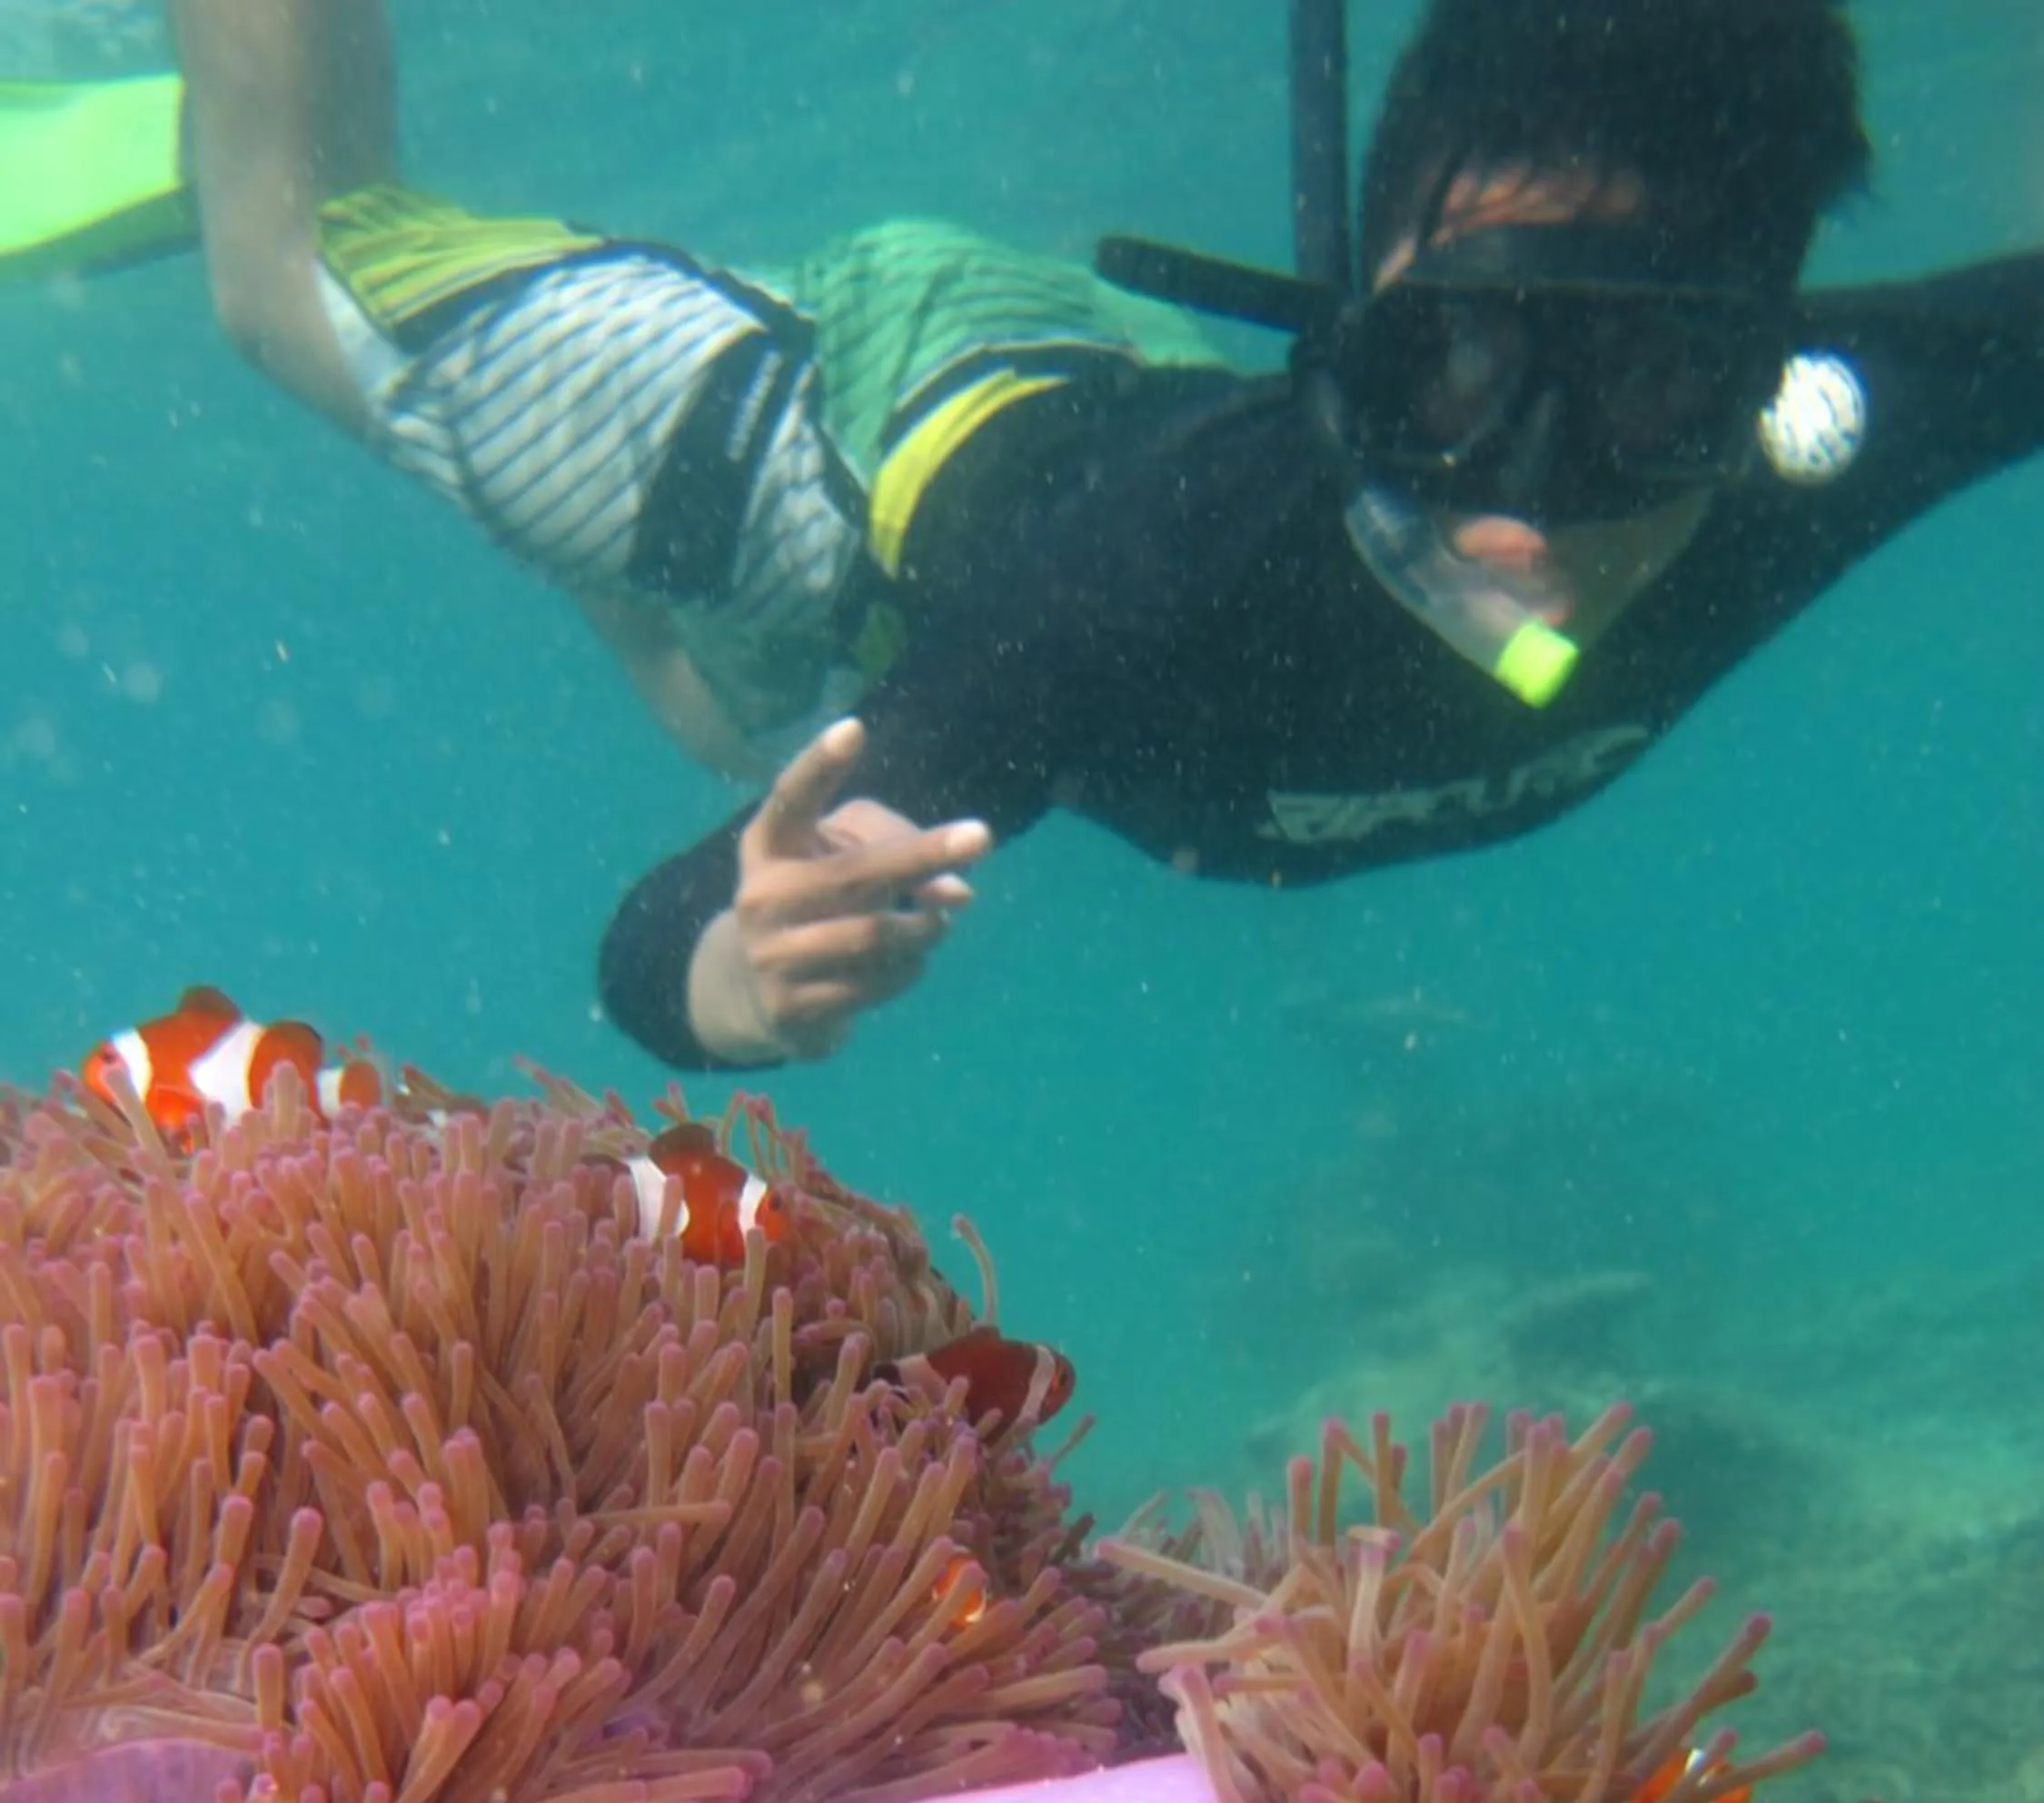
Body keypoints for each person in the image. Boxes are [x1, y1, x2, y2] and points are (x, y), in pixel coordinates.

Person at [31, 1, 2044, 1070]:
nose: (1523, 492)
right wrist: (755, 964)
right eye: (1448, 377)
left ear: (1768, 378)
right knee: (287, 286)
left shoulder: (1837, 444)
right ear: (1360, 334)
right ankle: (231, 134)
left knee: (733, 728)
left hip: (1141, 370)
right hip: (862, 447)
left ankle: (643, 620)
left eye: (1652, 402)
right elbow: (659, 946)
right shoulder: (1156, 586)